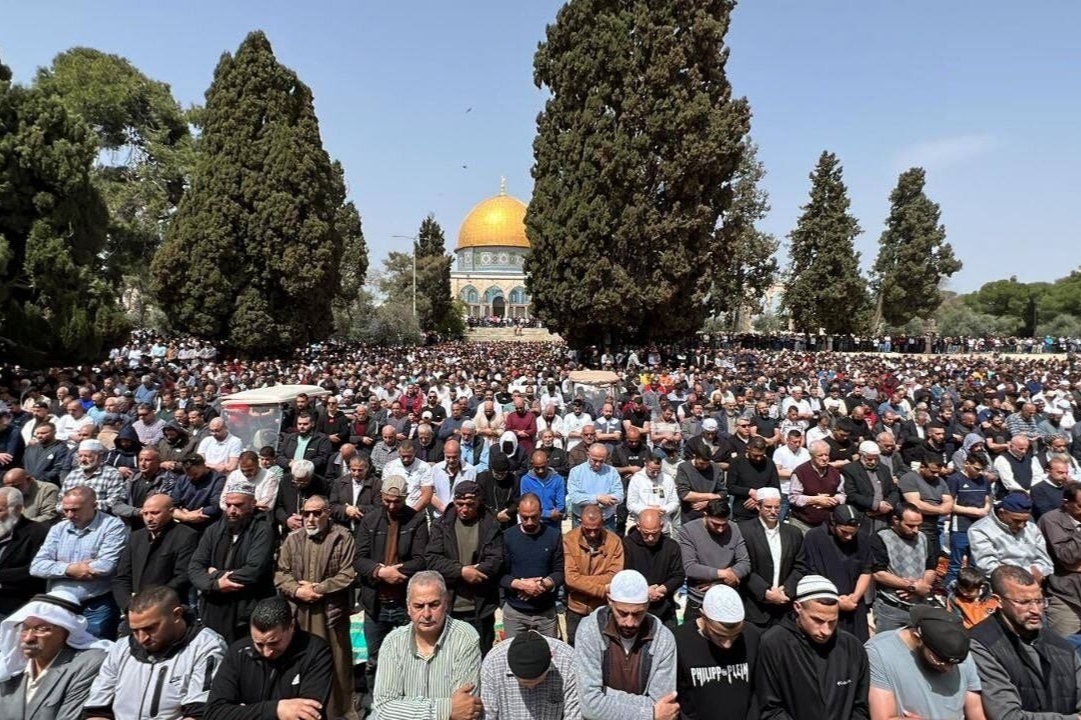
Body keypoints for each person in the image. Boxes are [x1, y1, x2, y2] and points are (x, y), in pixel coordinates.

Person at [83, 586, 228, 720]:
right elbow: (97, 710)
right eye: (135, 630)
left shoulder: (206, 646)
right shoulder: (121, 648)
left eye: (150, 628)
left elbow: (200, 712)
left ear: (176, 614)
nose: (142, 638)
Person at [275, 494, 357, 720]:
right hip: (299, 612)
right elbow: (282, 574)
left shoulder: (342, 537)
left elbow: (348, 574)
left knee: (337, 664)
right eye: (306, 513)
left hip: (331, 612)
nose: (311, 518)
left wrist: (319, 589)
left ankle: (338, 713)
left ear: (327, 514)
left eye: (317, 513)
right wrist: (298, 590)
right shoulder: (292, 539)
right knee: (300, 663)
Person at [969, 564, 1081, 719]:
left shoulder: (1061, 646)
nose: (1035, 610)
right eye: (1024, 602)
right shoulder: (981, 644)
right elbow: (1007, 716)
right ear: (998, 601)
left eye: (1039, 601)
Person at [353, 475, 430, 699]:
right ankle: (374, 704)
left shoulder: (416, 520)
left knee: (412, 657)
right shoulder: (370, 520)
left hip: (405, 604)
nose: (392, 506)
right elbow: (359, 558)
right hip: (375, 603)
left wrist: (399, 572)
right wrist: (380, 572)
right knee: (375, 659)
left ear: (405, 498)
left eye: (397, 501)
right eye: (387, 501)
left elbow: (421, 559)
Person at [371, 570, 484, 720]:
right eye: (419, 606)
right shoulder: (393, 642)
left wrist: (405, 706)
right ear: (408, 607)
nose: (427, 614)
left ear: (446, 604)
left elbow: (466, 708)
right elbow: (384, 707)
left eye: (434, 605)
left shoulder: (465, 637)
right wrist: (444, 709)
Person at [756, 575, 870, 720]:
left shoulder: (852, 647)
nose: (826, 630)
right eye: (817, 620)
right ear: (798, 607)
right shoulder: (774, 644)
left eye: (832, 622)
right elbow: (770, 707)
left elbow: (860, 707)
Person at [205, 595, 334, 720]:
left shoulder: (315, 651)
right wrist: (275, 710)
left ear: (291, 626)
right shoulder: (239, 652)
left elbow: (308, 713)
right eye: (259, 644)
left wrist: (243, 712)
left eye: (274, 643)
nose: (267, 652)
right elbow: (214, 712)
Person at [573, 569, 679, 720]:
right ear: (610, 601)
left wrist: (604, 694)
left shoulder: (663, 638)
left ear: (648, 605)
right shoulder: (590, 630)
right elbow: (590, 706)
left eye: (637, 614)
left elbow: (663, 703)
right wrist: (650, 713)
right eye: (622, 613)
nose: (629, 622)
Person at [30, 486, 128, 639]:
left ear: (94, 506)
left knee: (95, 650)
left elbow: (106, 565)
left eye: (75, 510)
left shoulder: (112, 526)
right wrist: (70, 569)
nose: (69, 515)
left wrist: (56, 566)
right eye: (66, 510)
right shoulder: (58, 529)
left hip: (96, 603)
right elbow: (37, 567)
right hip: (59, 603)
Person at [188, 477, 277, 644]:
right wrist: (215, 585)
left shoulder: (263, 530)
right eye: (228, 505)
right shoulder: (213, 531)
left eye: (238, 505)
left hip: (246, 612)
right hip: (214, 610)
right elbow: (195, 567)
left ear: (252, 504)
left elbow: (254, 570)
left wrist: (216, 574)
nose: (232, 510)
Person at [0, 590, 111, 720]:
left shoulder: (89, 664)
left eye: (41, 629)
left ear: (66, 631)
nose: (28, 638)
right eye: (25, 628)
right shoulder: (10, 666)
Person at [425, 480, 503, 656]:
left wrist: (477, 571)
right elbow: (432, 559)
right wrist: (461, 571)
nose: (464, 509)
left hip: (481, 605)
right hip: (450, 605)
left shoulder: (490, 524)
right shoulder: (442, 524)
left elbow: (496, 560)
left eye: (470, 505)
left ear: (478, 502)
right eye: (460, 504)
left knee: (482, 656)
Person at [865, 605, 983, 720]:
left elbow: (975, 711)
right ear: (918, 638)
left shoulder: (957, 649)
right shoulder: (880, 652)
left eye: (955, 664)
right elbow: (882, 717)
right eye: (940, 660)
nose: (948, 668)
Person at [675, 585, 761, 720]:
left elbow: (758, 693)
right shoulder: (679, 640)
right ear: (703, 616)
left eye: (735, 636)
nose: (728, 644)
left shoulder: (752, 636)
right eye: (719, 636)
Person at [113, 493, 198, 616]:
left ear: (171, 512)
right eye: (145, 513)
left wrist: (152, 602)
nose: (149, 518)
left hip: (166, 609)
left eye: (155, 513)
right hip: (135, 610)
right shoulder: (136, 537)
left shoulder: (186, 536)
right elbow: (122, 576)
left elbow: (183, 576)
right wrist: (128, 605)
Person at [802, 505, 873, 642]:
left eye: (853, 533)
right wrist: (836, 601)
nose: (849, 537)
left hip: (854, 603)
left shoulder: (861, 538)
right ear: (833, 524)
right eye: (844, 532)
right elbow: (812, 573)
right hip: (826, 604)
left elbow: (866, 570)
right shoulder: (814, 537)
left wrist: (855, 597)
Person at [738, 487, 806, 629]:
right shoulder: (743, 531)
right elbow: (743, 566)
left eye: (777, 507)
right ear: (758, 506)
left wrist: (786, 591)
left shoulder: (793, 533)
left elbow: (800, 565)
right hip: (755, 608)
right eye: (768, 507)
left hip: (784, 607)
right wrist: (765, 592)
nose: (773, 511)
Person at [499, 493, 563, 639]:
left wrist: (542, 585)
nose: (529, 522)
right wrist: (520, 585)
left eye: (534, 517)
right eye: (524, 517)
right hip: (515, 611)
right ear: (518, 514)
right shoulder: (507, 536)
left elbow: (560, 571)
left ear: (541, 512)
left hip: (545, 611)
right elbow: (500, 574)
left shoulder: (554, 536)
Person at [679, 498, 751, 625]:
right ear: (706, 515)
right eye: (715, 524)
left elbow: (744, 562)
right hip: (699, 600)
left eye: (724, 524)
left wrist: (720, 581)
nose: (720, 530)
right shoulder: (689, 531)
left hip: (726, 597)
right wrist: (725, 574)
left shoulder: (734, 528)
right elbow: (689, 567)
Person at [480, 630, 579, 720]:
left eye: (538, 681)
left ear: (550, 660)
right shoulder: (493, 663)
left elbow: (574, 714)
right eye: (523, 683)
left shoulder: (568, 661)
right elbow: (488, 713)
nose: (531, 687)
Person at [871, 503, 939, 633]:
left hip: (919, 607)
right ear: (896, 520)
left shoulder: (923, 538)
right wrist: (912, 587)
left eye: (919, 525)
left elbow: (930, 568)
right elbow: (878, 573)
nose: (915, 530)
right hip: (891, 608)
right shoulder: (881, 537)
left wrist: (922, 586)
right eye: (910, 525)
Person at [564, 504, 625, 645]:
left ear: (603, 523)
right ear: (580, 523)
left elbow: (614, 576)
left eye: (596, 530)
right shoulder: (569, 540)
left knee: (604, 647)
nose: (592, 534)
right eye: (588, 530)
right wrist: (602, 590)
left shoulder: (614, 542)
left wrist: (582, 581)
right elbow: (570, 578)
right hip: (576, 607)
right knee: (574, 647)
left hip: (602, 608)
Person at [621, 508, 684, 631]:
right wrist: (644, 591)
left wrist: (663, 589)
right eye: (646, 533)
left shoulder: (671, 546)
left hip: (664, 606)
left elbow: (679, 575)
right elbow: (623, 575)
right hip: (634, 607)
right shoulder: (626, 545)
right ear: (638, 527)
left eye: (654, 533)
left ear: (661, 526)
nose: (650, 538)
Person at [968, 491, 1053, 580]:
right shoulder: (980, 529)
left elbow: (1045, 562)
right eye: (1016, 520)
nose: (1022, 525)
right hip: (998, 584)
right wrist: (1029, 572)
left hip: (1032, 582)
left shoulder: (1032, 529)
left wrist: (1036, 572)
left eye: (1025, 521)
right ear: (1001, 513)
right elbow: (987, 566)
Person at [1037, 481, 1081, 637]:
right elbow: (1066, 557)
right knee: (1064, 648)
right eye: (1080, 506)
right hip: (1066, 597)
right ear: (1066, 503)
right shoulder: (1051, 520)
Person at [0, 487, 49, 618]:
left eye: (0, 510)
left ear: (17, 509)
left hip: (18, 607)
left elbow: (35, 570)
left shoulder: (38, 533)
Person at [787, 440, 845, 535]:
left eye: (826, 455)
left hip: (826, 524)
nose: (824, 458)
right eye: (820, 455)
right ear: (812, 456)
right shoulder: (800, 472)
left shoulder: (835, 473)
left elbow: (842, 494)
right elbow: (793, 497)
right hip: (802, 524)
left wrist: (834, 500)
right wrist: (816, 500)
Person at [841, 441, 899, 534]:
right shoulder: (850, 469)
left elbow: (894, 490)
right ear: (861, 455)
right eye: (869, 459)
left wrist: (888, 504)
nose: (873, 462)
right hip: (863, 515)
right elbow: (852, 494)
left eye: (876, 459)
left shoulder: (884, 469)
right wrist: (876, 505)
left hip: (884, 516)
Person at [58, 439, 128, 515]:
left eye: (87, 456)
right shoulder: (73, 475)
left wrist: (84, 507)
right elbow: (60, 503)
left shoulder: (112, 474)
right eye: (80, 456)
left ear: (100, 457)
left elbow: (115, 502)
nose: (82, 460)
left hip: (101, 519)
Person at [567, 443, 623, 529]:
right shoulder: (576, 472)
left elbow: (619, 495)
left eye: (601, 461)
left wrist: (605, 501)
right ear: (588, 455)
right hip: (581, 521)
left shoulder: (612, 472)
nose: (597, 464)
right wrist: (597, 499)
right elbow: (575, 497)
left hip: (606, 520)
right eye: (594, 460)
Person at [727, 437, 781, 523]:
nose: (758, 458)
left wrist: (758, 497)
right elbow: (730, 487)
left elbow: (776, 487)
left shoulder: (769, 463)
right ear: (748, 449)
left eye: (761, 455)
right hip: (743, 512)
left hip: (765, 512)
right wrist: (749, 491)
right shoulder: (737, 462)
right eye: (755, 455)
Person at [625, 450, 680, 533]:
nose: (655, 474)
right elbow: (631, 504)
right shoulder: (636, 479)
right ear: (646, 465)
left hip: (663, 527)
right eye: (652, 471)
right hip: (643, 527)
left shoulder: (667, 479)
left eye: (658, 471)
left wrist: (664, 509)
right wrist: (650, 510)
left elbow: (675, 502)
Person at [381, 439, 435, 512]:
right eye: (403, 456)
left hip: (415, 509)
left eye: (409, 456)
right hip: (394, 508)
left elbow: (426, 495)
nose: (406, 459)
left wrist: (412, 513)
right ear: (398, 452)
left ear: (415, 452)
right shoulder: (390, 467)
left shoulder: (424, 467)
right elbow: (385, 492)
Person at [519, 450, 566, 529]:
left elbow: (561, 504)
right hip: (533, 521)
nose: (541, 470)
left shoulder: (558, 479)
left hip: (553, 522)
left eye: (543, 467)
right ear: (532, 464)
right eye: (537, 468)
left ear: (548, 462)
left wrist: (556, 513)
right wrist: (548, 514)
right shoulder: (526, 480)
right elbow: (524, 504)